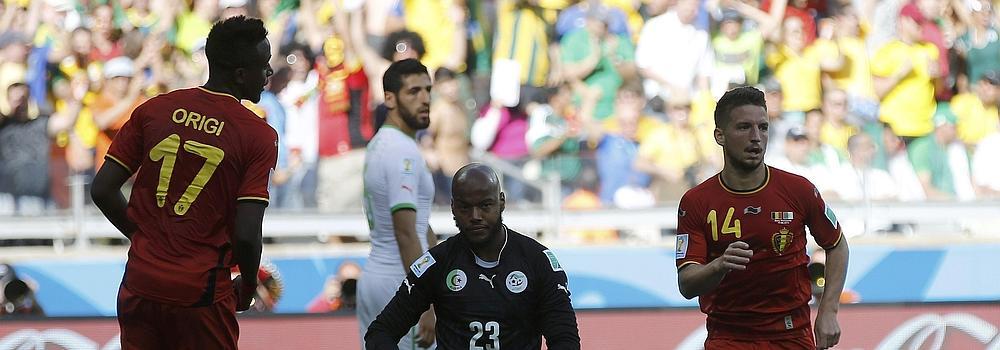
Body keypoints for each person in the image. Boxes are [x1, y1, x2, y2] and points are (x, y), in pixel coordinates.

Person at [90, 16, 277, 349]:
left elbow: (102, 188)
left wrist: (142, 235)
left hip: (140, 283)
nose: (268, 75)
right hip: (200, 293)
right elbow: (247, 234)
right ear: (240, 74)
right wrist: (248, 285)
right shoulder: (258, 135)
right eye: (264, 66)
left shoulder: (155, 109)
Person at [675, 86, 849, 349]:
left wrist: (829, 311)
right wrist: (720, 265)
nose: (756, 137)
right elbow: (687, 284)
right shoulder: (697, 202)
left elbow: (836, 244)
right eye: (744, 127)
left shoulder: (798, 190)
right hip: (729, 337)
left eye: (763, 128)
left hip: (791, 335)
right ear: (720, 135)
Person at [365, 163, 580, 349]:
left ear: (501, 202)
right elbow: (380, 332)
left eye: (485, 205)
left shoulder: (537, 260)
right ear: (453, 207)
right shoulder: (437, 263)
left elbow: (565, 339)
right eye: (465, 207)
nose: (475, 216)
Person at [358, 58, 438, 349]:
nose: (425, 99)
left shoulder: (383, 144)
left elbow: (419, 222)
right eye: (414, 91)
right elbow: (406, 233)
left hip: (380, 278)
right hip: (399, 283)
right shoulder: (401, 152)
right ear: (389, 99)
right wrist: (426, 303)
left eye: (428, 90)